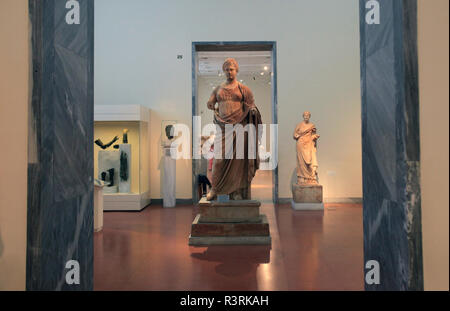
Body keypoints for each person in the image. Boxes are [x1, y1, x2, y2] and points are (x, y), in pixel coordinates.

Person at [205, 58, 262, 200]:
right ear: (224, 71)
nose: (229, 72)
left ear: (236, 70)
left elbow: (251, 106)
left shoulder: (244, 90)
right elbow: (210, 102)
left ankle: (236, 191)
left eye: (231, 69)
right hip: (223, 128)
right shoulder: (218, 89)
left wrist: (253, 111)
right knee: (219, 159)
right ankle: (215, 189)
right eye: (227, 69)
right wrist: (210, 104)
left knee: (238, 162)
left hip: (239, 128)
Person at [293, 111, 320, 184]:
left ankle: (311, 178)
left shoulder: (312, 126)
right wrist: (297, 135)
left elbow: (313, 135)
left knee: (310, 161)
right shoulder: (299, 125)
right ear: (303, 116)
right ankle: (302, 178)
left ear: (309, 116)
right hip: (301, 144)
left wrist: (315, 136)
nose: (306, 117)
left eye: (307, 115)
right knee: (301, 162)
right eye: (305, 115)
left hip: (309, 144)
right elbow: (294, 134)